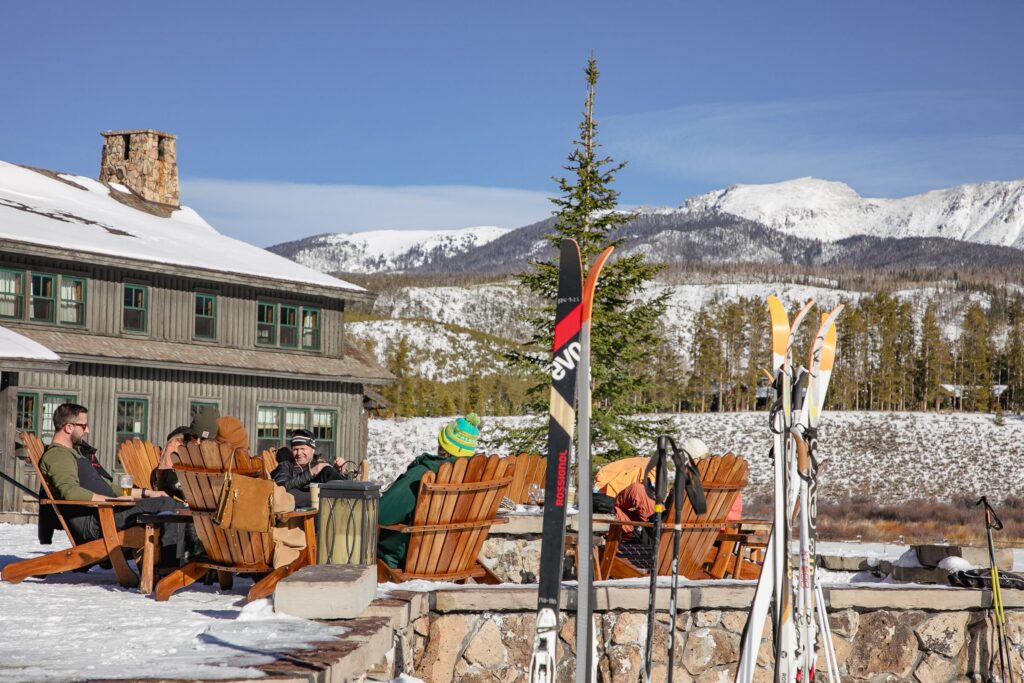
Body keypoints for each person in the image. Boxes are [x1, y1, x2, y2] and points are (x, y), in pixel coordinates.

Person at [38, 402, 187, 559]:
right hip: (98, 519)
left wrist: (146, 493)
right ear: (69, 427)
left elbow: (110, 487)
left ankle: (176, 559)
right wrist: (112, 501)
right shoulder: (58, 455)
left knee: (165, 501)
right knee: (169, 505)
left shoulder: (73, 453)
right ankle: (170, 564)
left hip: (107, 511)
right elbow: (70, 492)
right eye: (83, 425)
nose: (87, 430)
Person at [377, 413, 481, 570]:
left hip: (407, 558)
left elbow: (382, 514)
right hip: (453, 558)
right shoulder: (476, 477)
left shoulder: (422, 474)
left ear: (442, 444)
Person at [271, 429, 344, 507]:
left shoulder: (320, 464)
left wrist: (339, 471)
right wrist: (311, 473)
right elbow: (281, 487)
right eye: (295, 449)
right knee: (292, 493)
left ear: (313, 450)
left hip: (325, 507)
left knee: (328, 470)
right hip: (300, 507)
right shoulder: (286, 465)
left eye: (303, 449)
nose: (299, 453)